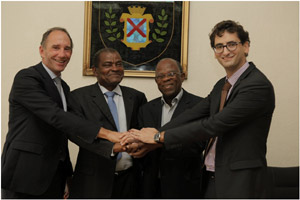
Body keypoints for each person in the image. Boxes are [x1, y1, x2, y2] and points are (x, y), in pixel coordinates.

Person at [122, 20, 275, 198]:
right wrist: (154, 136)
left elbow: (213, 125)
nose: (225, 51)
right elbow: (193, 114)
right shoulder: (222, 85)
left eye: (232, 44)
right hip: (212, 176)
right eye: (219, 46)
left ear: (246, 47)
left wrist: (158, 137)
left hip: (241, 180)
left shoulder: (256, 85)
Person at [1, 27, 121, 199]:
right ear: (42, 50)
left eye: (67, 49)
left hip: (54, 178)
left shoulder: (63, 88)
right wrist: (109, 134)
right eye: (56, 47)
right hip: (25, 176)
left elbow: (64, 133)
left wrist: (67, 175)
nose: (62, 54)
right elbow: (56, 116)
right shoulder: (27, 78)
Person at [67, 48, 147, 198]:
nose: (115, 68)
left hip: (130, 181)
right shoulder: (78, 97)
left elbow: (142, 131)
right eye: (108, 64)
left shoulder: (137, 97)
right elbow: (77, 134)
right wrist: (113, 148)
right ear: (95, 70)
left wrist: (139, 144)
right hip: (93, 182)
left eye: (119, 64)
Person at [138, 58, 204, 198]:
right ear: (156, 81)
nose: (166, 79)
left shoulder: (200, 106)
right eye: (160, 76)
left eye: (171, 74)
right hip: (151, 186)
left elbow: (199, 144)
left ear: (182, 76)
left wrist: (159, 141)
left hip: (185, 185)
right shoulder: (146, 109)